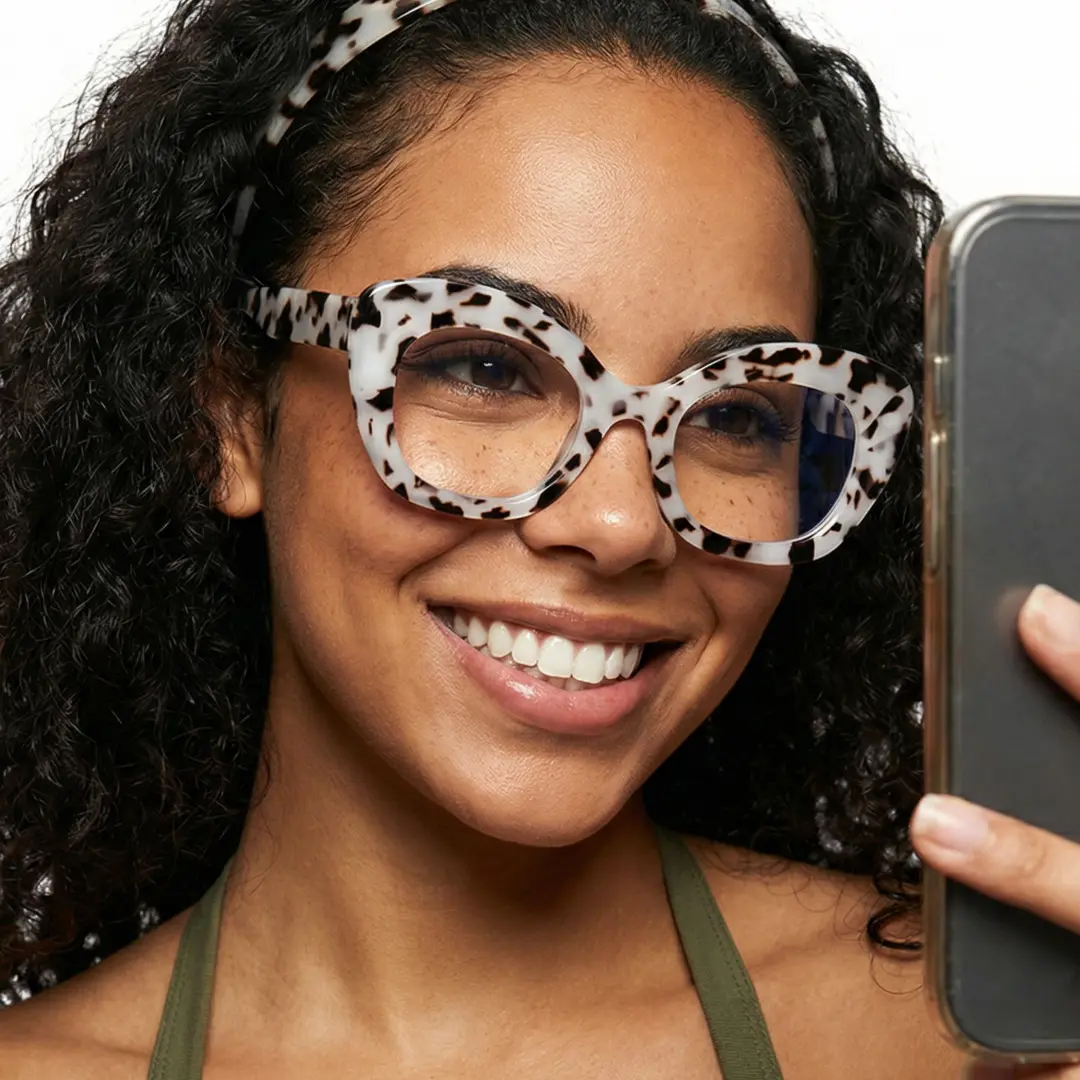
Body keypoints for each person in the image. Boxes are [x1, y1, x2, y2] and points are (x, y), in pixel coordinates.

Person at [1, 0, 1078, 1076]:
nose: (620, 525)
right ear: (228, 413)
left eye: (740, 417)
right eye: (485, 366)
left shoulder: (970, 1048)